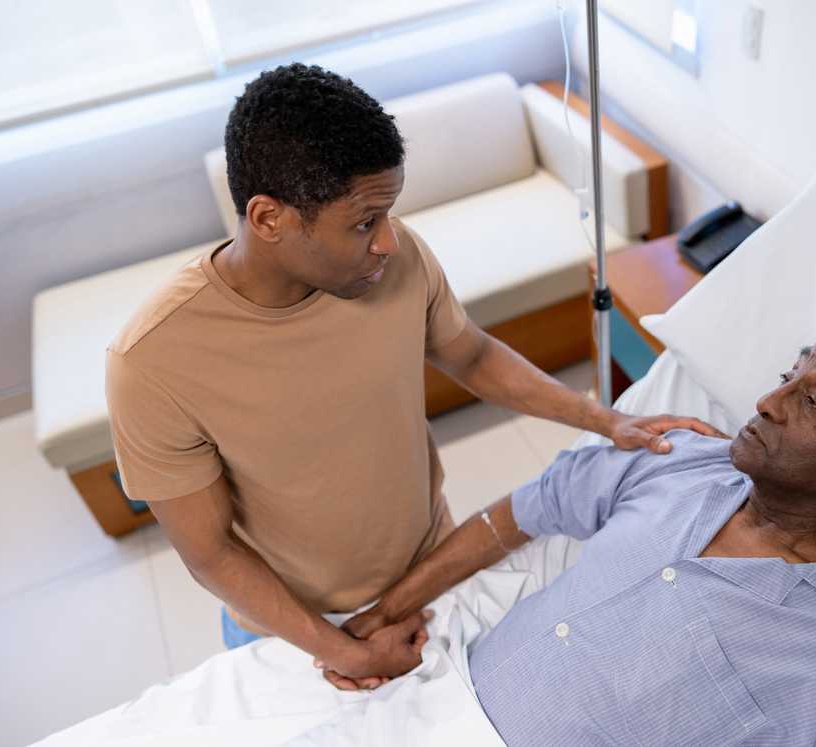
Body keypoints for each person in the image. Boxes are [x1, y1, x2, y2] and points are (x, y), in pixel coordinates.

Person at [104, 63, 715, 691]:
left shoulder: (394, 263)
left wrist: (609, 420)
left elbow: (472, 356)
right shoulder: (152, 362)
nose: (389, 242)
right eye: (363, 222)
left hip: (433, 567)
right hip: (291, 628)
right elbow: (210, 553)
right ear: (268, 219)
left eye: (388, 215)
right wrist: (344, 652)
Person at [338, 336, 816, 744]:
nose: (769, 402)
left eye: (814, 401)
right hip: (426, 700)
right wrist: (385, 615)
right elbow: (526, 509)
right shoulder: (680, 459)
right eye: (785, 378)